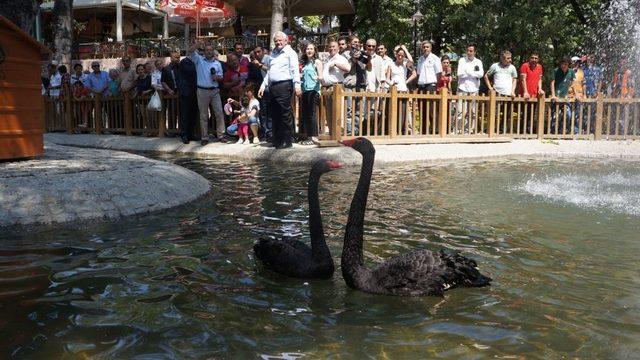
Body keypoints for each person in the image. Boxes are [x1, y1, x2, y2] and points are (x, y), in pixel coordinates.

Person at [258, 31, 301, 149]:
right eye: (276, 41)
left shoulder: (290, 53)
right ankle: (277, 140)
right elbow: (269, 72)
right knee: (274, 113)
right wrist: (263, 86)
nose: (278, 42)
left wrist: (297, 85)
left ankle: (287, 140)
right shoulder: (272, 54)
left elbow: (295, 70)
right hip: (272, 86)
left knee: (284, 113)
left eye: (280, 40)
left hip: (285, 85)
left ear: (286, 40)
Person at [190, 40, 227, 145]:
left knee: (219, 113)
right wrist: (198, 44)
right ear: (204, 52)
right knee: (203, 115)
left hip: (215, 90)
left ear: (213, 51)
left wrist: (217, 77)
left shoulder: (217, 63)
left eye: (211, 50)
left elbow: (221, 77)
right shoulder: (199, 60)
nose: (209, 52)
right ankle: (205, 138)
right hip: (202, 91)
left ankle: (221, 135)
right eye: (207, 50)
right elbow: (190, 51)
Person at [300, 42, 324, 145]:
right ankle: (309, 136)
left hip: (314, 90)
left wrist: (317, 78)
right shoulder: (304, 63)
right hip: (305, 91)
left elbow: (321, 76)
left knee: (312, 114)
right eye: (307, 49)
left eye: (311, 49)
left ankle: (314, 137)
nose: (309, 51)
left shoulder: (317, 62)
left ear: (314, 51)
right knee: (305, 114)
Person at [456, 44, 484, 133]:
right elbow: (459, 73)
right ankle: (459, 129)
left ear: (475, 52)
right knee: (460, 110)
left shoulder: (478, 62)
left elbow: (481, 74)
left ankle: (470, 129)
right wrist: (473, 73)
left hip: (474, 88)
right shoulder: (462, 60)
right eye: (468, 50)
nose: (469, 52)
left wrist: (468, 72)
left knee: (473, 111)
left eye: (471, 51)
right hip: (462, 87)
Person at [251, 46, 272, 139]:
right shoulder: (254, 62)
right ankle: (265, 132)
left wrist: (259, 65)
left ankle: (270, 132)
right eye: (255, 52)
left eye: (259, 52)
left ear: (263, 51)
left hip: (271, 87)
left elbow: (271, 71)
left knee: (270, 112)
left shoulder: (268, 59)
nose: (257, 54)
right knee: (263, 111)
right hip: (261, 89)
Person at [550, 57, 576, 133]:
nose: (563, 66)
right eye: (562, 64)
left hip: (566, 97)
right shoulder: (556, 71)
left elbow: (574, 82)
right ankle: (553, 132)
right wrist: (553, 95)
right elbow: (552, 83)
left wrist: (572, 91)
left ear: (568, 64)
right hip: (557, 96)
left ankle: (565, 131)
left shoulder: (571, 72)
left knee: (568, 115)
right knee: (555, 116)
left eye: (565, 64)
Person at [177, 56, 198, 144]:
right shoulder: (185, 61)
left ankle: (191, 134)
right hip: (186, 92)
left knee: (193, 114)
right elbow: (189, 71)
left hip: (195, 92)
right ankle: (184, 134)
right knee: (185, 114)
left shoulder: (197, 61)